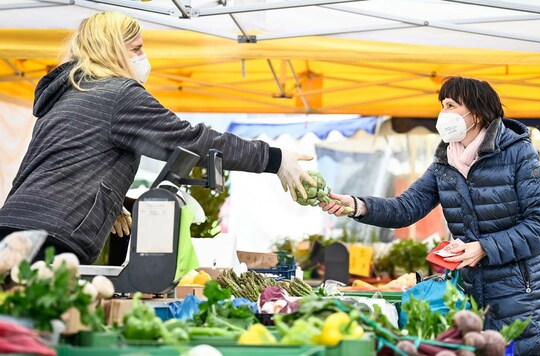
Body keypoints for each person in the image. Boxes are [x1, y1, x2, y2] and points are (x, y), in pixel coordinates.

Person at [0, 11, 315, 265]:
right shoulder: (118, 94)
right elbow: (190, 140)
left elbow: (60, 164)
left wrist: (107, 202)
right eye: (135, 49)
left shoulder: (69, 95)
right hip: (52, 240)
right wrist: (273, 158)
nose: (143, 57)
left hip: (12, 228)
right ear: (111, 52)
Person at [321, 77, 540, 355]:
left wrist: (484, 247)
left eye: (451, 105)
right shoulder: (445, 163)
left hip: (523, 295)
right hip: (473, 296)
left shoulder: (519, 153)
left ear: (478, 112)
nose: (443, 113)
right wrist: (357, 205)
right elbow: (405, 207)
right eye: (442, 105)